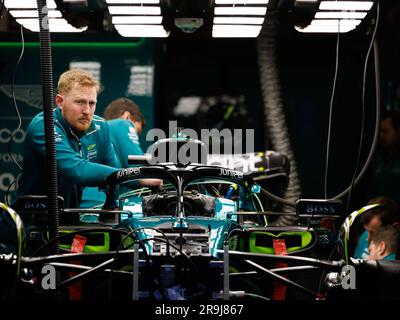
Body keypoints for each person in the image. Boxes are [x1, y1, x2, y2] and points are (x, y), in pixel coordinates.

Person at [17, 69, 120, 209]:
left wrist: (110, 208)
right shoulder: (44, 125)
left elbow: (115, 174)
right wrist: (137, 175)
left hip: (69, 220)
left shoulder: (101, 127)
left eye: (92, 103)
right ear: (59, 101)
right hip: (30, 224)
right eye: (80, 102)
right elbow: (77, 171)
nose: (87, 111)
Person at [81, 97, 160, 208]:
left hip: (85, 204)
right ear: (126, 116)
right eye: (136, 132)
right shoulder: (122, 123)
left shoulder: (100, 133)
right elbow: (138, 167)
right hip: (97, 207)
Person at [368, 111, 400, 204]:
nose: (381, 136)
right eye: (379, 132)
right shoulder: (375, 160)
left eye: (386, 131)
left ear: (398, 131)